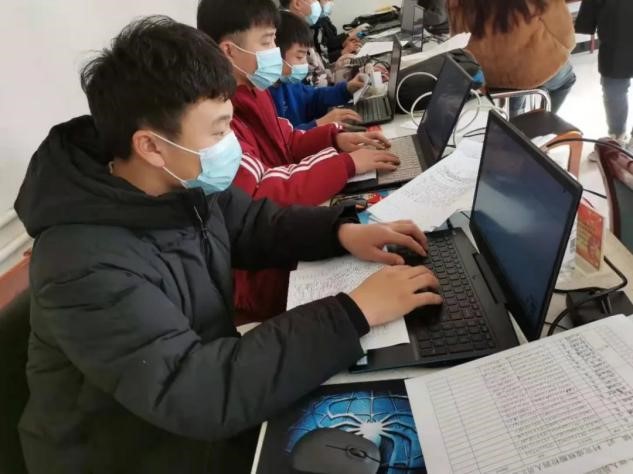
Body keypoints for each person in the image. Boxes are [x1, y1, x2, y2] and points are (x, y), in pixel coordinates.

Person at [14, 16, 442, 474]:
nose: (231, 144)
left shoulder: (177, 182)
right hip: (133, 449)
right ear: (151, 147)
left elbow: (252, 222)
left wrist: (339, 231)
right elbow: (196, 391)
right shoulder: (82, 264)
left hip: (195, 407)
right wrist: (354, 312)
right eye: (219, 132)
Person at [198, 0, 401, 319]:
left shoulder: (255, 91)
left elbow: (287, 139)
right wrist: (347, 164)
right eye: (267, 42)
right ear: (229, 51)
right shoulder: (221, 116)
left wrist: (334, 138)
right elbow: (262, 193)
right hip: (259, 273)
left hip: (280, 236)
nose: (274, 52)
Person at [447, 0, 577, 114]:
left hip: (485, 73)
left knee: (516, 87)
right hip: (531, 70)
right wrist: (562, 50)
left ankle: (515, 120)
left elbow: (458, 32)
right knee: (567, 79)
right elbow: (565, 35)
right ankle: (542, 122)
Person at [270, 10, 364, 130]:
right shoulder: (268, 97)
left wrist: (347, 89)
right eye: (299, 56)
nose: (305, 63)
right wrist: (320, 123)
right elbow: (287, 138)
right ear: (275, 54)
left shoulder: (289, 83)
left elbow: (314, 98)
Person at [577, 0, 633, 149]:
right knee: (614, 89)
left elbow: (586, 21)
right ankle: (617, 136)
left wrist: (587, 21)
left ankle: (616, 136)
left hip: (616, 34)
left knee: (614, 89)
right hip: (616, 35)